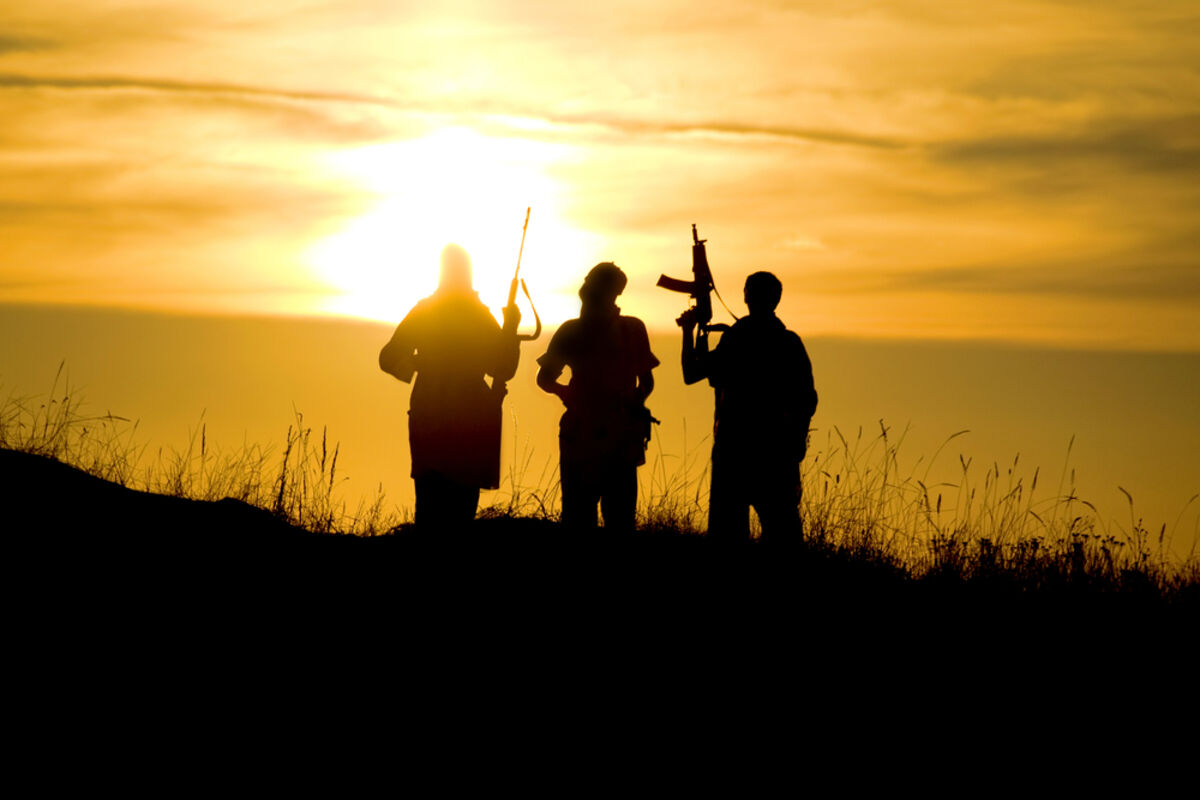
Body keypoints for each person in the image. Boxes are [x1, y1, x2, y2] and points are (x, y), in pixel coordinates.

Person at [379, 244, 520, 528]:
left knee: (431, 501)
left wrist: (510, 330)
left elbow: (389, 358)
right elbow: (503, 368)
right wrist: (509, 329)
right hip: (464, 414)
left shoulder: (427, 310)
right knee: (458, 506)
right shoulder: (477, 315)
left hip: (434, 413)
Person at [678, 271, 817, 543]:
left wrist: (687, 331)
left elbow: (691, 373)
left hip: (735, 449)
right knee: (783, 534)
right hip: (776, 450)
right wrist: (796, 441)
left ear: (746, 297)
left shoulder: (737, 338)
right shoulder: (789, 342)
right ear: (776, 300)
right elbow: (807, 400)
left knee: (729, 537)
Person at [536, 263, 659, 534]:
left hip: (616, 435)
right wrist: (567, 394)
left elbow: (646, 383)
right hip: (582, 433)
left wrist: (629, 404)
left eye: (592, 283)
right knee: (580, 516)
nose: (585, 288)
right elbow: (544, 379)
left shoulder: (631, 329)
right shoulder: (571, 330)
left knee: (618, 517)